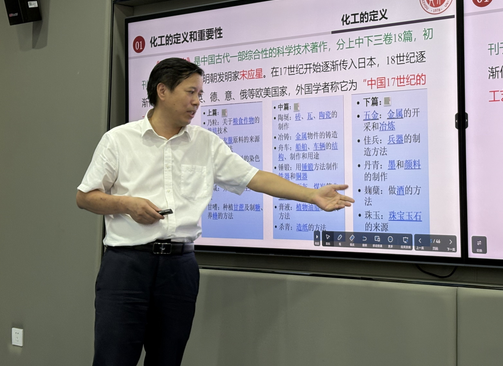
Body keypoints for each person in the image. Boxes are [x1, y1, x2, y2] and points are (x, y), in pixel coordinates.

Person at [76, 57, 353, 366]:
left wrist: (311, 195)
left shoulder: (206, 143)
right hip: (127, 266)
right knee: (113, 358)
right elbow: (85, 197)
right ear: (162, 91)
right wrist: (126, 204)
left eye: (200, 94)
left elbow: (254, 177)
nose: (197, 101)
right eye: (190, 92)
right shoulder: (118, 140)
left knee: (167, 359)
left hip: (179, 267)